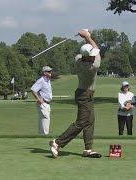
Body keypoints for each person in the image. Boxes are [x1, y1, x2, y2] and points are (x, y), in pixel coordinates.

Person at [49, 29, 102, 158]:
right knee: (81, 123)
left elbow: (91, 50)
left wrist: (85, 37)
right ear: (88, 57)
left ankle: (88, 149)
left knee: (90, 121)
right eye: (92, 55)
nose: (94, 55)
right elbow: (97, 50)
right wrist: (87, 37)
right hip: (84, 94)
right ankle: (57, 143)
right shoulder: (93, 67)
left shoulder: (78, 59)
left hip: (84, 94)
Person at [31, 66, 53, 135]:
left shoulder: (47, 80)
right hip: (43, 103)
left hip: (47, 103)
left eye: (50, 71)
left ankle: (42, 135)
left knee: (45, 120)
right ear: (44, 73)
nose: (50, 72)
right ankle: (44, 135)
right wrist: (38, 99)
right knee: (45, 119)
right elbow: (33, 89)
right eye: (49, 71)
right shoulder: (41, 80)